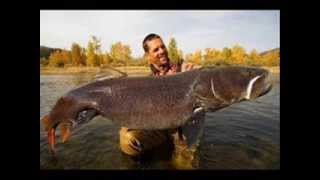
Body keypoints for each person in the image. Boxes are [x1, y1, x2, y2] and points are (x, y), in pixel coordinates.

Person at [119, 34, 202, 162]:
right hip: (158, 126)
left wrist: (198, 73)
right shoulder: (148, 81)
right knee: (127, 139)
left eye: (162, 47)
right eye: (156, 49)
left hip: (182, 130)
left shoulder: (183, 69)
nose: (162, 51)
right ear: (148, 56)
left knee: (184, 164)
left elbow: (204, 76)